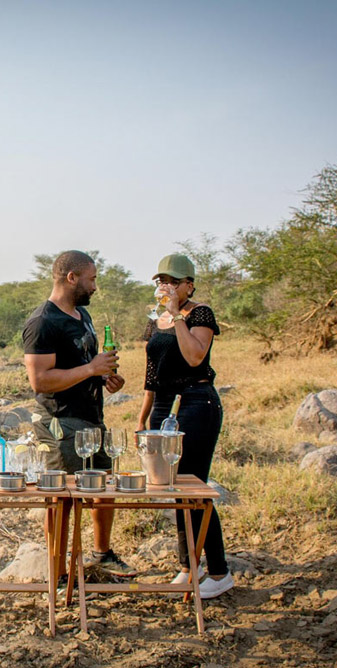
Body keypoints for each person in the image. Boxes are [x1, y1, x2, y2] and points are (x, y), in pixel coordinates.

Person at [23, 249, 135, 582]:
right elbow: (40, 380)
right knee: (63, 498)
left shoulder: (81, 315)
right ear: (71, 278)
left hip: (91, 417)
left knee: (104, 488)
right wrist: (90, 369)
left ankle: (102, 555)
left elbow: (84, 365)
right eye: (92, 279)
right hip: (61, 423)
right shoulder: (43, 322)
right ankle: (58, 574)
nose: (95, 287)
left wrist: (103, 377)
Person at [137, 253, 233, 599]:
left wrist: (177, 314)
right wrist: (143, 416)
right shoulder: (156, 320)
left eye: (174, 281)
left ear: (189, 285)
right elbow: (152, 373)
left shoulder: (200, 313)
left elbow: (195, 356)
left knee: (194, 487)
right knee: (174, 488)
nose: (166, 286)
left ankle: (219, 571)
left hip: (195, 402)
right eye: (162, 280)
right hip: (163, 407)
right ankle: (189, 566)